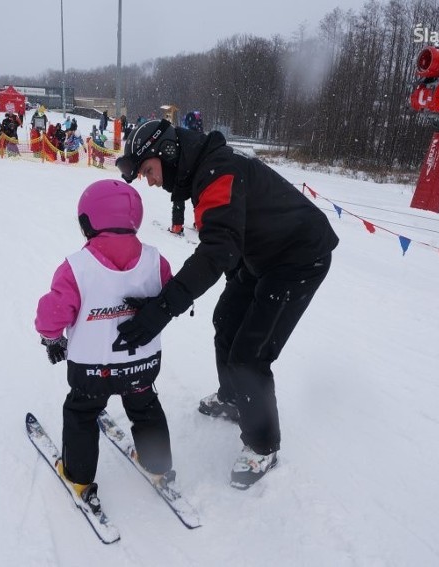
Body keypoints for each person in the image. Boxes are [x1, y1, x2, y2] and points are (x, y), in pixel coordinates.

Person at [113, 119, 339, 489]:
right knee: (226, 318)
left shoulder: (218, 173)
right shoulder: (205, 170)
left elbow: (216, 252)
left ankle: (263, 445)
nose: (150, 181)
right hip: (263, 255)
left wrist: (162, 308)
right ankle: (234, 399)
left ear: (169, 153)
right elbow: (229, 237)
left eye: (149, 171)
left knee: (250, 353)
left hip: (299, 258)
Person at [35, 179, 177, 514]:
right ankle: (157, 464)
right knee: (144, 406)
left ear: (88, 222)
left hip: (91, 370)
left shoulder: (77, 268)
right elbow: (171, 296)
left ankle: (79, 476)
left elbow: (53, 312)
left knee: (82, 413)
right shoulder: (157, 261)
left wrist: (52, 337)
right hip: (140, 364)